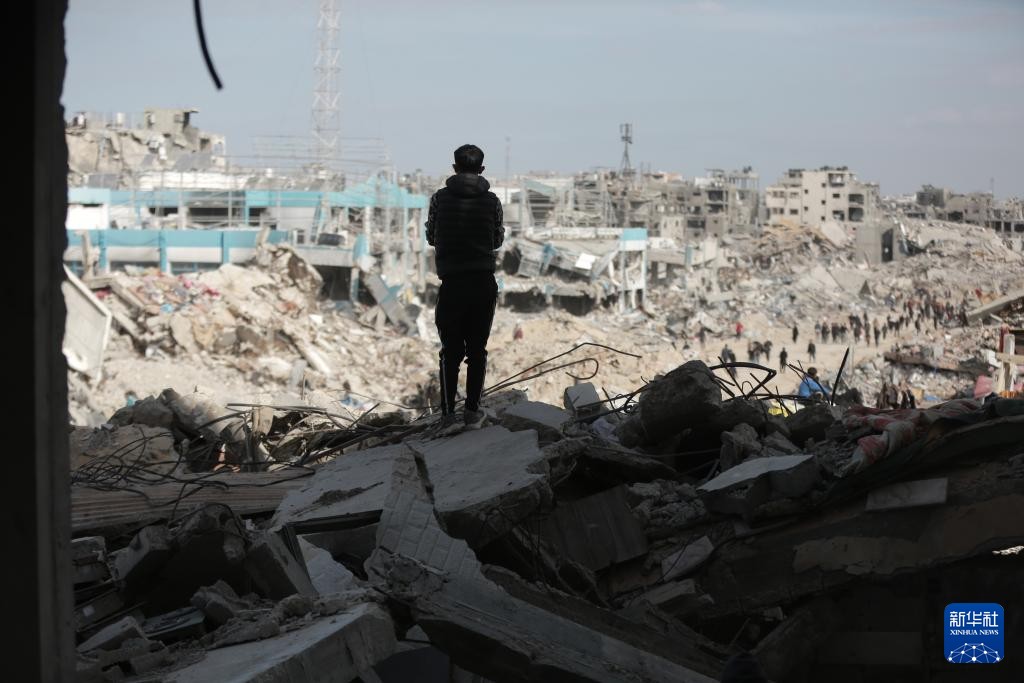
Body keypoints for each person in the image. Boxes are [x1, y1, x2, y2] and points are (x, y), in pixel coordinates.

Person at [426, 144, 504, 433]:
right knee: (477, 351)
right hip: (483, 282)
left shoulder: (439, 199)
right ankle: (472, 412)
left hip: (452, 282)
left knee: (450, 351)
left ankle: (447, 415)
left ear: (455, 168)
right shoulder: (493, 201)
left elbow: (431, 236)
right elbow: (497, 240)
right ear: (481, 169)